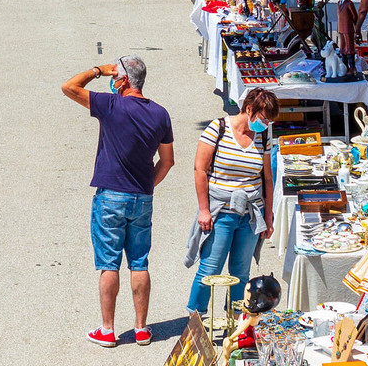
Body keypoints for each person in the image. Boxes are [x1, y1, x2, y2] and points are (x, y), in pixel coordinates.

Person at [61, 58, 175, 347]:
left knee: (109, 264)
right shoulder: (160, 114)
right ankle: (141, 329)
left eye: (115, 76)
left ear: (123, 80)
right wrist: (147, 186)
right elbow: (167, 161)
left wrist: (98, 71)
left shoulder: (111, 105)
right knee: (139, 262)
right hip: (142, 198)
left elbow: (69, 87)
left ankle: (108, 329)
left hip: (111, 195)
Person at [186, 90, 277, 316]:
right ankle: (196, 319)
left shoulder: (263, 136)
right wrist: (204, 209)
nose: (266, 124)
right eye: (264, 118)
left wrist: (268, 216)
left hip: (250, 214)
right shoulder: (218, 128)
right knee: (210, 269)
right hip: (221, 212)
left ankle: (235, 320)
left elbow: (267, 178)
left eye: (269, 121)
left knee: (241, 273)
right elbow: (200, 169)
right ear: (249, 109)